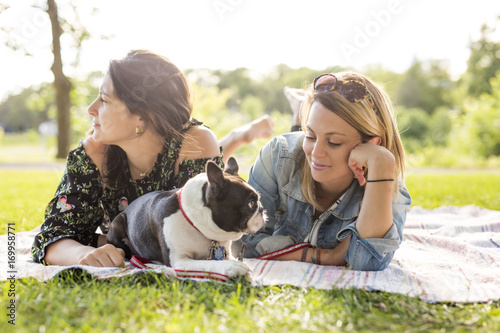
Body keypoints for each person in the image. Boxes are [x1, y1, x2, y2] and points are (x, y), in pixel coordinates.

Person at [31, 50, 273, 267]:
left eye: (104, 99)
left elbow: (211, 230)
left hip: (200, 150)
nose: (91, 109)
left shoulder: (194, 144)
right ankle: (236, 136)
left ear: (142, 116)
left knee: (218, 164)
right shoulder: (93, 154)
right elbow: (52, 236)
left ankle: (236, 137)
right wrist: (81, 254)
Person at [241, 72, 411, 271]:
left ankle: (301, 115)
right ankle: (300, 115)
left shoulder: (385, 178)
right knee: (299, 149)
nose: (317, 153)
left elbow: (368, 261)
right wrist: (328, 256)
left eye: (334, 142)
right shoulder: (278, 154)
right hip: (293, 154)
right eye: (311, 135)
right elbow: (243, 241)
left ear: (370, 145)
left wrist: (382, 161)